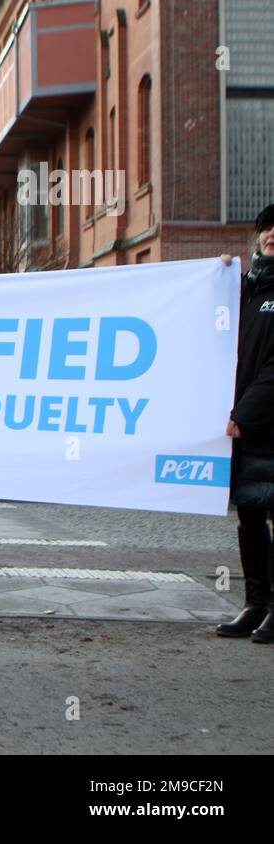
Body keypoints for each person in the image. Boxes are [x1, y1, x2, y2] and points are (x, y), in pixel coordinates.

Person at [221, 205, 274, 643]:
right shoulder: (248, 290)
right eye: (267, 227)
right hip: (247, 428)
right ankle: (256, 603)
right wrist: (215, 278)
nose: (272, 234)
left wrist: (244, 413)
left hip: (263, 423)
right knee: (251, 517)